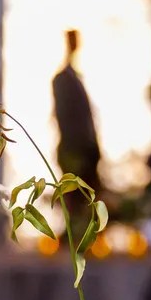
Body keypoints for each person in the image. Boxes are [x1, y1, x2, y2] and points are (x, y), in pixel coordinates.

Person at [52, 29, 101, 192]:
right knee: (77, 197)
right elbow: (64, 118)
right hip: (75, 152)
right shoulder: (63, 79)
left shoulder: (75, 78)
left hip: (85, 152)